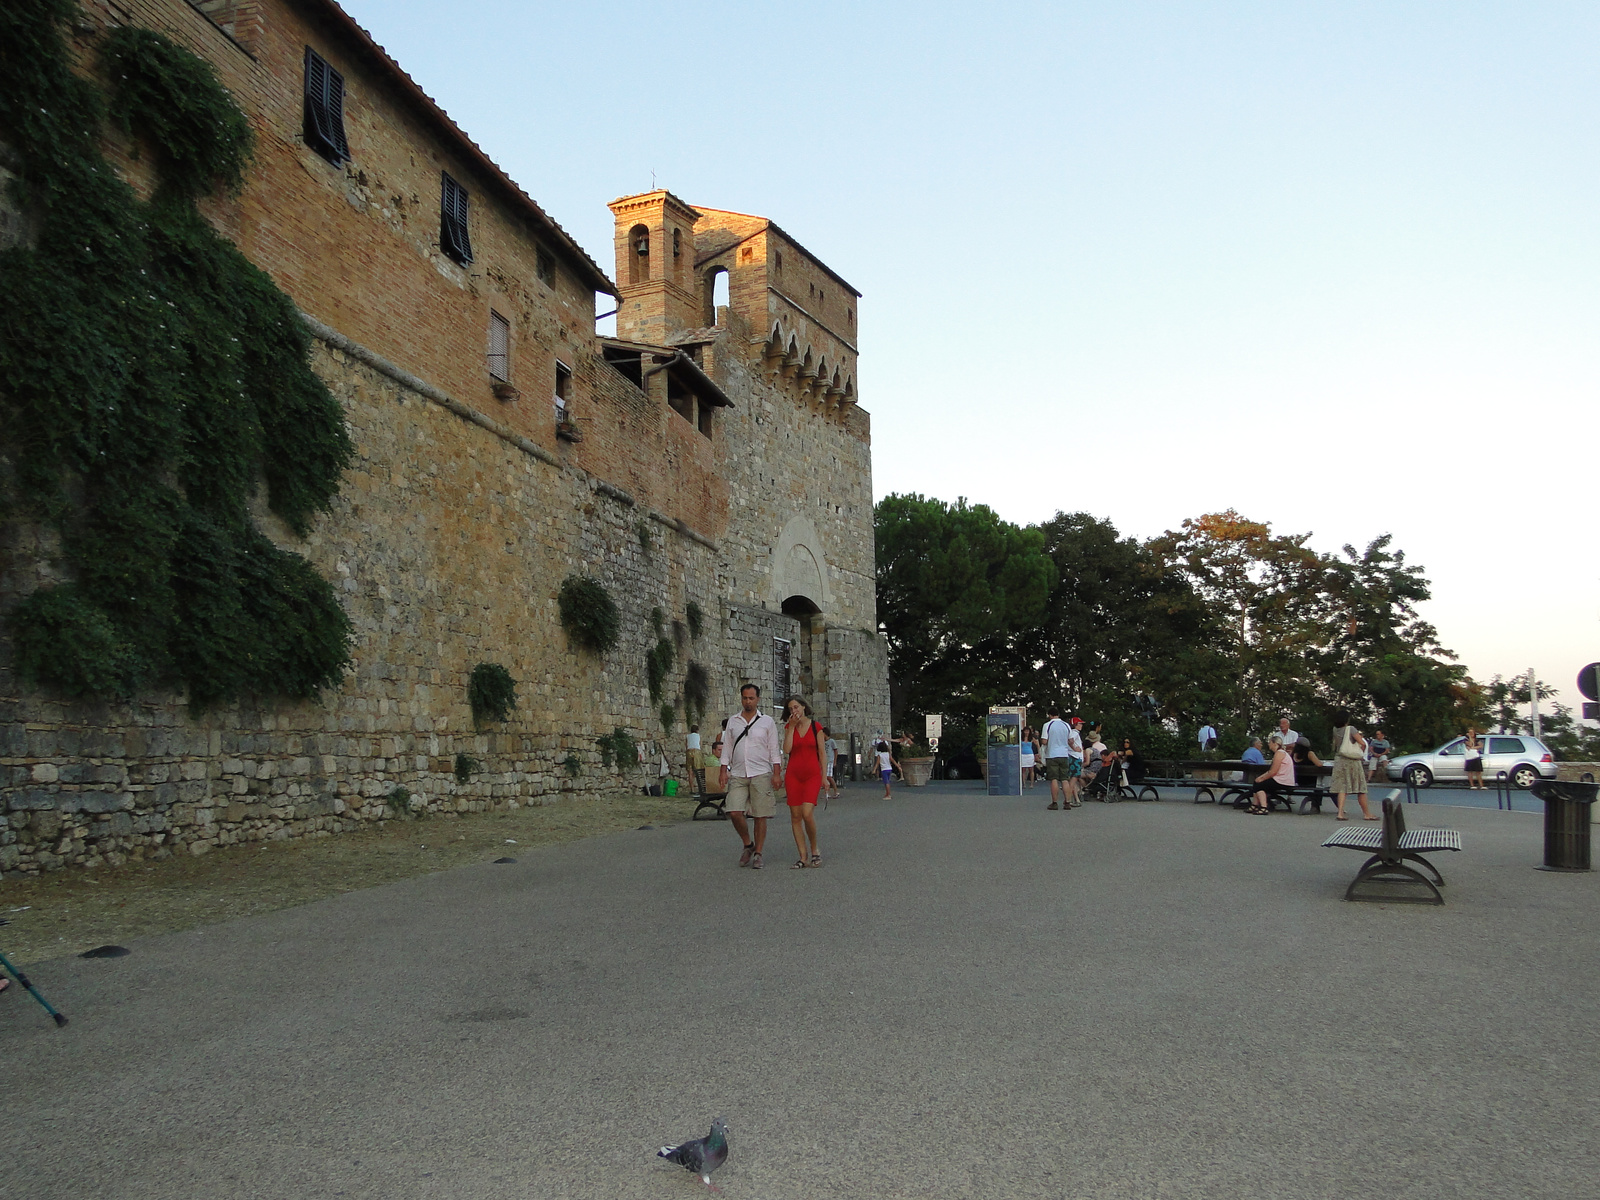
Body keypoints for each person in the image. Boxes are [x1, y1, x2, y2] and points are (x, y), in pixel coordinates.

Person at [718, 683, 782, 869]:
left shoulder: (767, 722)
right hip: (738, 772)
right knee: (734, 811)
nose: (748, 701)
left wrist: (777, 773)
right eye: (745, 698)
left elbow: (773, 749)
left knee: (760, 814)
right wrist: (723, 770)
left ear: (758, 699)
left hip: (761, 772)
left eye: (751, 698)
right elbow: (727, 747)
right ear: (741, 699)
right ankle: (748, 844)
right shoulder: (733, 721)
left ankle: (759, 853)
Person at [782, 697, 826, 868]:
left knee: (807, 813)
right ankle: (802, 855)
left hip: (812, 774)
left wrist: (824, 777)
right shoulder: (789, 727)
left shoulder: (816, 727)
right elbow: (787, 749)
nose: (794, 711)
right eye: (791, 708)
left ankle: (815, 849)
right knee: (795, 816)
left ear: (804, 707)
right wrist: (792, 727)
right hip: (793, 774)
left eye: (796, 707)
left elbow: (822, 753)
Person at [1329, 709, 1376, 820]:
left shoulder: (1335, 729)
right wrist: (1360, 751)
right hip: (1352, 761)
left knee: (1342, 787)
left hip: (1340, 760)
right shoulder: (1351, 729)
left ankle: (1340, 813)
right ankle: (1367, 814)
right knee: (1361, 788)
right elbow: (1362, 743)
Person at [1040, 707, 1079, 810]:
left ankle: (1054, 802)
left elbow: (1044, 741)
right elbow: (1070, 740)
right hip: (1064, 754)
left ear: (1049, 715)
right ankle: (1067, 802)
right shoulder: (1066, 725)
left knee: (1054, 779)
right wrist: (1075, 748)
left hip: (1052, 754)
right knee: (1065, 779)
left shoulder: (1047, 725)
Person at [1248, 733, 1295, 814]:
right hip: (1284, 780)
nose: (1268, 744)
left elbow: (1273, 771)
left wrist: (1261, 778)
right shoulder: (1281, 753)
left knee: (1259, 784)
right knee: (1258, 782)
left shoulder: (1279, 753)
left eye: (1270, 742)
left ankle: (1263, 807)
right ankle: (1255, 805)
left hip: (1283, 781)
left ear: (1275, 743)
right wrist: (1261, 778)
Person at [1290, 736, 1325, 813]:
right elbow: (1319, 765)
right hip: (1310, 782)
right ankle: (1315, 806)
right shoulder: (1310, 754)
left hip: (1297, 781)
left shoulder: (1292, 755)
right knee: (1319, 785)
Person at [686, 724, 704, 795]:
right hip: (697, 751)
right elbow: (700, 745)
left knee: (690, 771)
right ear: (697, 730)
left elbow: (686, 745)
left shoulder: (687, 736)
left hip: (689, 751)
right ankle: (701, 788)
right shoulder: (699, 736)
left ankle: (692, 789)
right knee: (698, 770)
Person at [823, 729, 840, 800]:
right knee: (824, 777)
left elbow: (836, 751)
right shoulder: (822, 742)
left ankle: (836, 791)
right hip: (824, 761)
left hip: (830, 760)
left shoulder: (831, 741)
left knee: (829, 777)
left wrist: (835, 761)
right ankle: (827, 793)